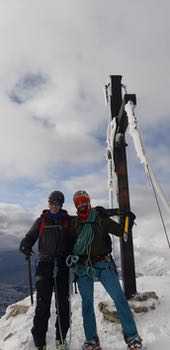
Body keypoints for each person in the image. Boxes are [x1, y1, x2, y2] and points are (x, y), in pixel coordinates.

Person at [71, 190, 142, 350]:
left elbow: (120, 231)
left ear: (89, 201)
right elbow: (68, 241)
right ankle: (92, 340)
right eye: (79, 202)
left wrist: (127, 221)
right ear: (76, 205)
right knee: (87, 303)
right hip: (83, 267)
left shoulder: (100, 218)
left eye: (85, 201)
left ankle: (132, 337)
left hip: (103, 264)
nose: (83, 204)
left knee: (119, 299)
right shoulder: (74, 223)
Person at [20, 191, 71, 350]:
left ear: (61, 204)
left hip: (63, 265)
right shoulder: (41, 220)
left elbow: (75, 239)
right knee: (43, 305)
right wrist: (25, 245)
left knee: (63, 305)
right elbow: (30, 236)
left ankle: (60, 339)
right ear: (48, 203)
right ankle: (39, 342)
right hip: (45, 264)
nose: (53, 206)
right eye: (51, 203)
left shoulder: (68, 221)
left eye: (57, 203)